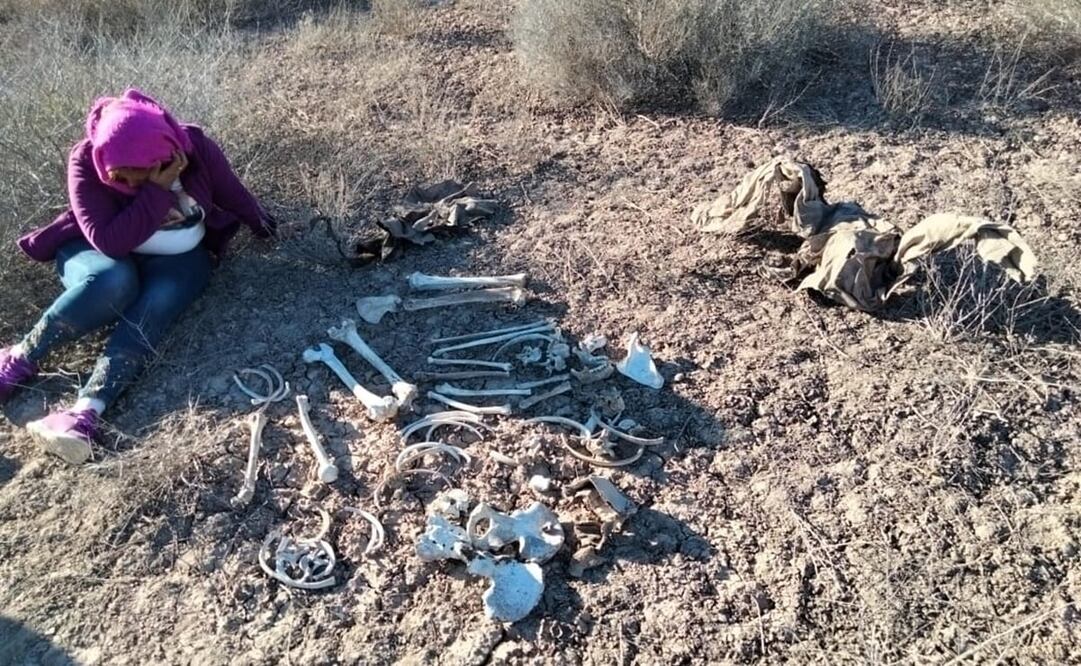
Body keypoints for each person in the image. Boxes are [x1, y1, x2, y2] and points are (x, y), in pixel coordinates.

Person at [0, 89, 273, 464]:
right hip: (96, 251)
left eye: (140, 176)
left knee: (157, 303)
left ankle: (85, 414)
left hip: (177, 256)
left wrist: (262, 226)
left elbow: (231, 192)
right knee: (114, 280)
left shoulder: (193, 146)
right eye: (119, 177)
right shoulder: (86, 160)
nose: (122, 181)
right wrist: (157, 190)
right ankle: (19, 357)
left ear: (166, 155)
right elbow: (110, 242)